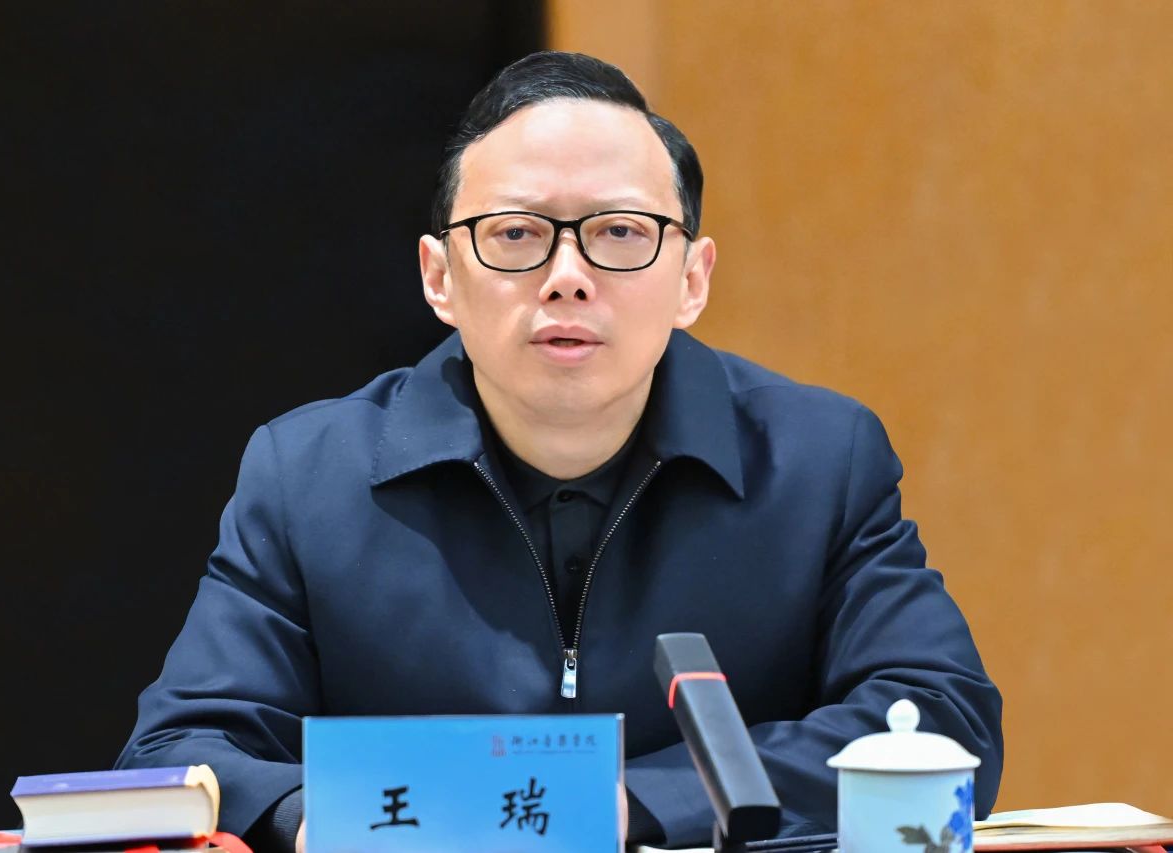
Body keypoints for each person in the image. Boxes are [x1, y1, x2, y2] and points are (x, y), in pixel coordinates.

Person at [117, 51, 1003, 852]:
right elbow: (179, 751)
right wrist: (329, 818)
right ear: (439, 277)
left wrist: (627, 805)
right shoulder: (311, 476)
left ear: (692, 279)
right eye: (516, 233)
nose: (568, 276)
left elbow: (942, 716)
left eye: (620, 232)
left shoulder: (816, 461)